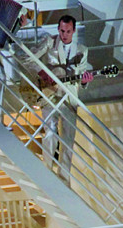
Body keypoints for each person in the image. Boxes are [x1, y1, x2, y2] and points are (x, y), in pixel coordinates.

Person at [33, 14, 94, 181]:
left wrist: (84, 82)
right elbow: (28, 58)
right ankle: (47, 170)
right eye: (61, 31)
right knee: (50, 132)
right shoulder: (49, 42)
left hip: (70, 98)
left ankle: (64, 178)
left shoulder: (82, 50)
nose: (64, 34)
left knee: (68, 139)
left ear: (73, 31)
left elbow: (81, 77)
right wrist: (43, 73)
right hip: (50, 94)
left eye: (68, 31)